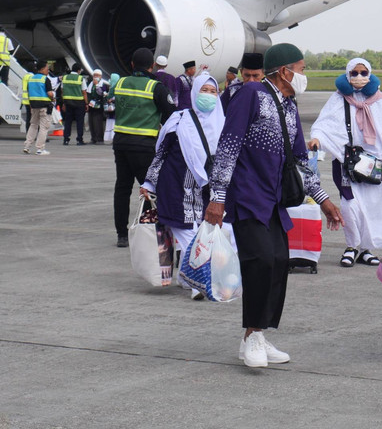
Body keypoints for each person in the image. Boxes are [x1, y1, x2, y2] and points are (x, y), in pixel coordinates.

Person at [204, 42, 344, 368]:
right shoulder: (250, 95)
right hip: (246, 196)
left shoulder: (289, 105)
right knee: (261, 260)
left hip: (274, 201)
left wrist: (323, 200)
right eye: (302, 69)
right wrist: (217, 197)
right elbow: (228, 146)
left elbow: (301, 160)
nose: (303, 75)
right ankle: (252, 335)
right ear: (284, 71)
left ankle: (257, 335)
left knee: (280, 260)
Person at [308, 57, 382, 267]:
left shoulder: (378, 100)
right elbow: (324, 124)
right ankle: (351, 246)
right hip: (348, 163)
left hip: (375, 164)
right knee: (350, 205)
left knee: (373, 207)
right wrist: (317, 138)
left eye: (363, 73)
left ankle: (366, 249)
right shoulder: (339, 98)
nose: (359, 77)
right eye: (354, 73)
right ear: (347, 74)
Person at [141, 72, 226, 300]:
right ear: (195, 92)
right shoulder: (179, 119)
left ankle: (185, 277)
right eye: (204, 91)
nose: (208, 96)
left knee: (199, 230)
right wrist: (149, 182)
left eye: (212, 92)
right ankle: (198, 282)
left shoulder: (223, 123)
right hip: (175, 185)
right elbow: (162, 152)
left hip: (204, 190)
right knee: (185, 230)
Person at [112, 48, 176, 248]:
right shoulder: (156, 87)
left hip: (121, 142)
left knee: (122, 188)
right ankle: (145, 228)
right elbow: (171, 116)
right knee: (150, 190)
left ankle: (122, 234)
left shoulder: (120, 83)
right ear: (152, 67)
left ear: (132, 64)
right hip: (144, 146)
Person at [23, 60, 54, 155]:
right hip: (44, 106)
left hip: (34, 106)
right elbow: (49, 93)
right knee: (44, 128)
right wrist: (53, 97)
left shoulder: (31, 79)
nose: (48, 71)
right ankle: (40, 149)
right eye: (47, 69)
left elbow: (29, 92)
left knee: (33, 125)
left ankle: (27, 146)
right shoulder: (45, 79)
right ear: (42, 69)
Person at [61, 63, 89, 146]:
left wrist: (64, 103)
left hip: (68, 102)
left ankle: (66, 139)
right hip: (79, 103)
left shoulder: (65, 77)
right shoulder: (81, 78)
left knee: (68, 121)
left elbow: (62, 91)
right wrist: (86, 103)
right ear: (79, 70)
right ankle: (79, 140)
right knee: (79, 122)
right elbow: (84, 92)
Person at [87, 69, 109, 144]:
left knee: (98, 123)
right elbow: (88, 93)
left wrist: (97, 85)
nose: (95, 77)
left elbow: (102, 93)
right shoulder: (91, 83)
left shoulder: (103, 84)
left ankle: (99, 138)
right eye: (94, 75)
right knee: (91, 122)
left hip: (99, 106)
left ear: (100, 76)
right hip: (91, 105)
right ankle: (93, 138)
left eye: (97, 75)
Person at [21, 61, 35, 132]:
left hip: (25, 100)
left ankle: (28, 133)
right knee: (34, 119)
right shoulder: (32, 77)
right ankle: (34, 135)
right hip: (31, 100)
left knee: (28, 118)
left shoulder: (25, 76)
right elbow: (31, 90)